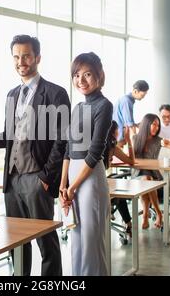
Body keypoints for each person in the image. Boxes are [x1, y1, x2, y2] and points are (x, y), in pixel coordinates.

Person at [0, 35, 70, 276]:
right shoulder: (12, 95)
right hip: (12, 179)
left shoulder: (55, 93)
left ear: (37, 58)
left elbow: (62, 140)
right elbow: (10, 135)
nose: (21, 61)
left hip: (36, 178)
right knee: (17, 240)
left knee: (45, 240)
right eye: (17, 56)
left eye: (27, 56)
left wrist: (45, 176)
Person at [59, 52, 113, 276]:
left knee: (91, 238)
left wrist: (73, 187)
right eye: (76, 75)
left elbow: (95, 152)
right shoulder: (78, 108)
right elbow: (68, 149)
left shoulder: (104, 105)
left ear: (99, 76)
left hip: (90, 176)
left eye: (87, 74)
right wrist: (63, 185)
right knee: (77, 237)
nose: (81, 80)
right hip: (72, 175)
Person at [132, 113, 164, 229]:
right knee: (145, 179)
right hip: (137, 173)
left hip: (153, 173)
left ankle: (146, 214)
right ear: (146, 124)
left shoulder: (158, 141)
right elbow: (131, 158)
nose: (156, 127)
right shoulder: (135, 138)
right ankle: (157, 213)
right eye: (154, 124)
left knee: (147, 179)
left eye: (158, 125)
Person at [105, 121, 135, 236]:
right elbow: (131, 161)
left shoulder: (96, 144)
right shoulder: (112, 148)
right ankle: (128, 223)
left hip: (93, 186)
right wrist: (129, 140)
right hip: (102, 189)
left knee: (115, 183)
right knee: (119, 192)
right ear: (114, 132)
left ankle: (126, 222)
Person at [112, 80, 149, 145]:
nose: (143, 97)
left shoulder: (125, 99)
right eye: (142, 95)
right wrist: (137, 141)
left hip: (117, 134)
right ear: (135, 91)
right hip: (119, 137)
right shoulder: (127, 101)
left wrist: (137, 125)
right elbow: (130, 125)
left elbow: (128, 122)